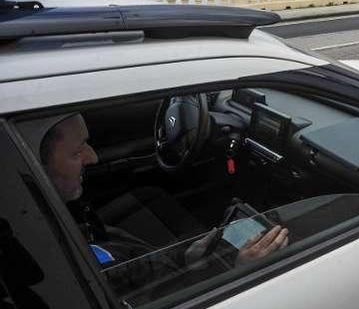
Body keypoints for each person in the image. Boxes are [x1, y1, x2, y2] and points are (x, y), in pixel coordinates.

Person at [31, 113, 289, 268]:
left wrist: (187, 257)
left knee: (150, 194)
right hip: (143, 270)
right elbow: (150, 308)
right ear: (34, 164)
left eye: (87, 144)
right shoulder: (56, 258)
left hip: (126, 249)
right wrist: (237, 271)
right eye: (77, 152)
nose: (93, 157)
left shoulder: (45, 214)